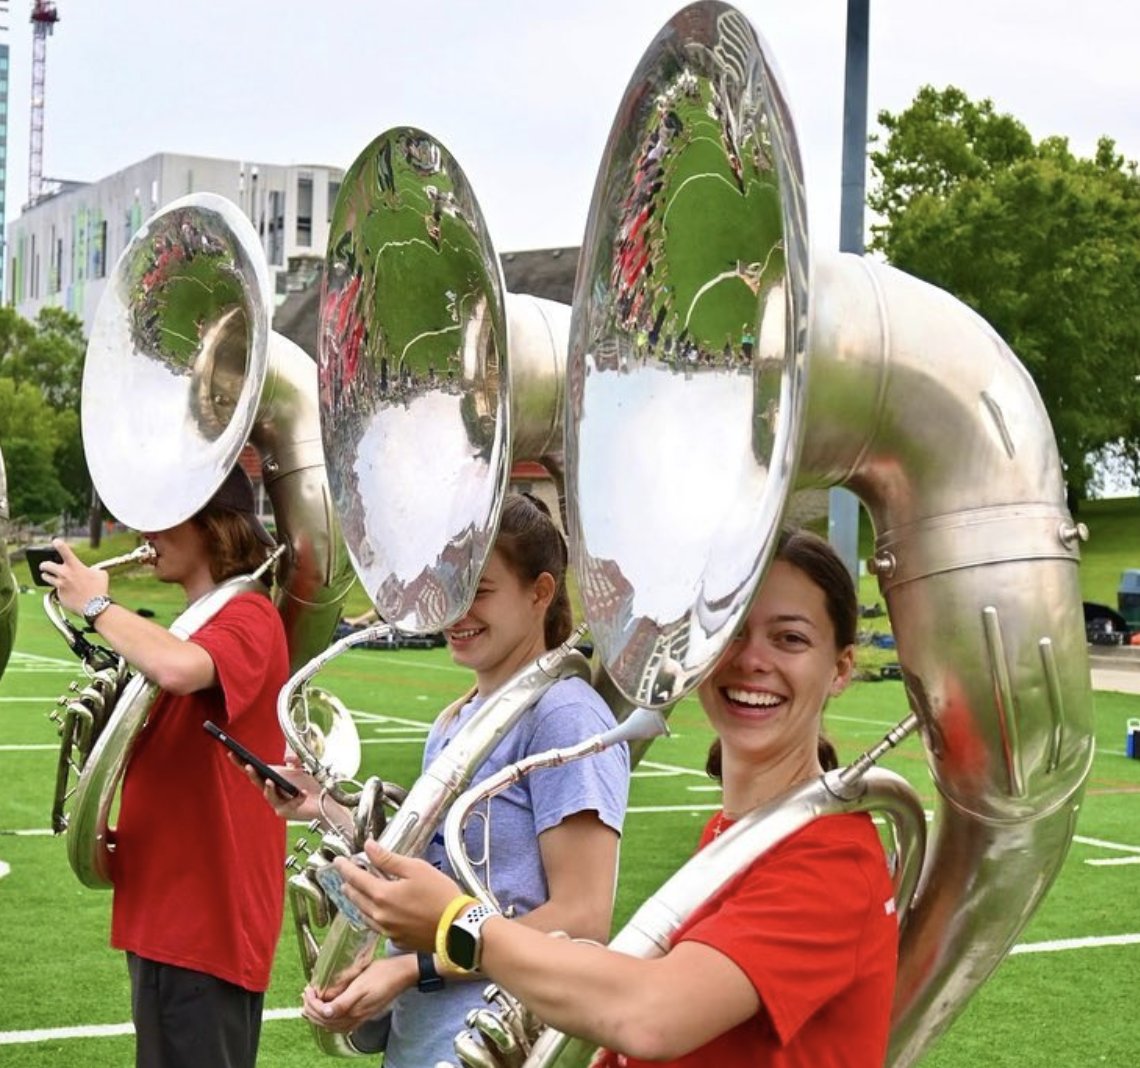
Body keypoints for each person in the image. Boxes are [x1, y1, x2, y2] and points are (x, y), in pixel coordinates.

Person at [324, 528, 899, 1067]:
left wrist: (456, 923)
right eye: (732, 631)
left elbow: (653, 1015)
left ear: (841, 669)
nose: (751, 659)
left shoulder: (831, 859)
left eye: (790, 638)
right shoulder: (740, 835)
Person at [250, 493, 631, 1068]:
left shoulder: (564, 714)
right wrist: (322, 805)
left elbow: (582, 921)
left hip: (498, 1041)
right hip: (424, 1038)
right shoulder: (457, 717)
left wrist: (408, 969)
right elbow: (433, 861)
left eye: (478, 589)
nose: (454, 609)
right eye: (447, 585)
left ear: (540, 593)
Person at [40, 466, 289, 1068]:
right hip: (167, 905)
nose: (142, 532)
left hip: (205, 918)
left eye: (163, 517)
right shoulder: (191, 625)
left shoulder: (249, 616)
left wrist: (97, 604)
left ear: (214, 526)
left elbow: (180, 670)